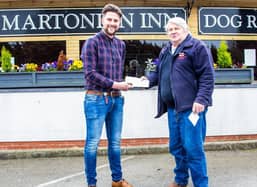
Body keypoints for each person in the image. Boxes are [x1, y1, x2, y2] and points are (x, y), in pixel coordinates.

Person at [146, 17, 214, 187]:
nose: (173, 32)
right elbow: (159, 73)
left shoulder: (197, 47)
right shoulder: (166, 50)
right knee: (176, 147)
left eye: (176, 28)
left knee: (193, 149)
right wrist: (146, 80)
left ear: (185, 30)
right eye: (169, 30)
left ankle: (201, 184)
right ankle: (181, 180)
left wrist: (201, 99)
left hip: (192, 109)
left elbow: (207, 76)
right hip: (172, 109)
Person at [80, 3, 133, 187]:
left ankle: (117, 181)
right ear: (102, 20)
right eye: (109, 19)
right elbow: (90, 73)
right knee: (92, 144)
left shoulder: (121, 44)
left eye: (116, 20)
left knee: (115, 143)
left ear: (119, 23)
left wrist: (132, 81)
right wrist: (116, 84)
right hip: (96, 99)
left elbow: (118, 73)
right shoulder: (91, 42)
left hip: (116, 100)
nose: (112, 23)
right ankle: (91, 184)